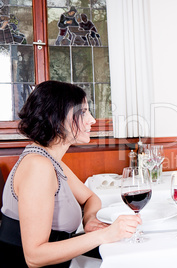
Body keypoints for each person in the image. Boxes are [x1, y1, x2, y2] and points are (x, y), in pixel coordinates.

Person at [0, 81, 140, 267]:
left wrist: (89, 219)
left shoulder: (49, 159)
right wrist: (104, 234)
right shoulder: (38, 166)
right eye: (82, 112)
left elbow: (90, 197)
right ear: (55, 118)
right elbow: (34, 257)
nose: (92, 120)